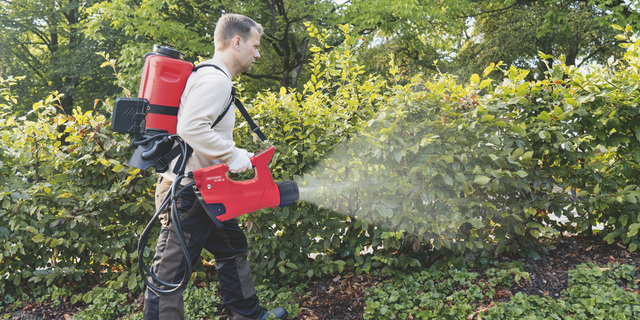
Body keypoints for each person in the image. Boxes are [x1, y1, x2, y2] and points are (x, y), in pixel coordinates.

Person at [143, 13, 288, 320]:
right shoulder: (215, 80)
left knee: (232, 246)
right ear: (237, 42)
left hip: (205, 191)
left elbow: (203, 129)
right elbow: (192, 128)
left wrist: (233, 152)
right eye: (255, 46)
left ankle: (247, 315)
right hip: (188, 194)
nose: (258, 54)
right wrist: (231, 154)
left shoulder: (210, 75)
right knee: (168, 274)